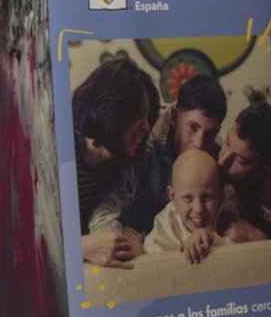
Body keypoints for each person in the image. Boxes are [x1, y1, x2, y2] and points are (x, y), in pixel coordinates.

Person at [90, 73, 227, 239]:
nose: (199, 143)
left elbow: (228, 198)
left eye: (210, 133)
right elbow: (108, 203)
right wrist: (112, 239)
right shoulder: (140, 141)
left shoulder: (217, 152)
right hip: (134, 233)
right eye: (192, 128)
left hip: (182, 238)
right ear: (175, 117)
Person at [70, 57, 159, 268]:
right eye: (140, 114)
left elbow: (105, 220)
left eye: (148, 118)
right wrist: (82, 246)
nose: (146, 127)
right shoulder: (56, 147)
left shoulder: (122, 167)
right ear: (113, 108)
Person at [142, 149, 231, 263]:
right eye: (188, 198)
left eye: (207, 197)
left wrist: (214, 240)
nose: (198, 209)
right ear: (173, 197)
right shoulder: (161, 234)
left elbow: (245, 253)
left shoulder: (229, 209)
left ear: (220, 194)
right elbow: (154, 268)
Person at [217, 101, 271, 242]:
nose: (222, 161)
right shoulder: (213, 157)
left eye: (240, 160)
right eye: (227, 142)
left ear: (263, 171)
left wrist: (258, 237)